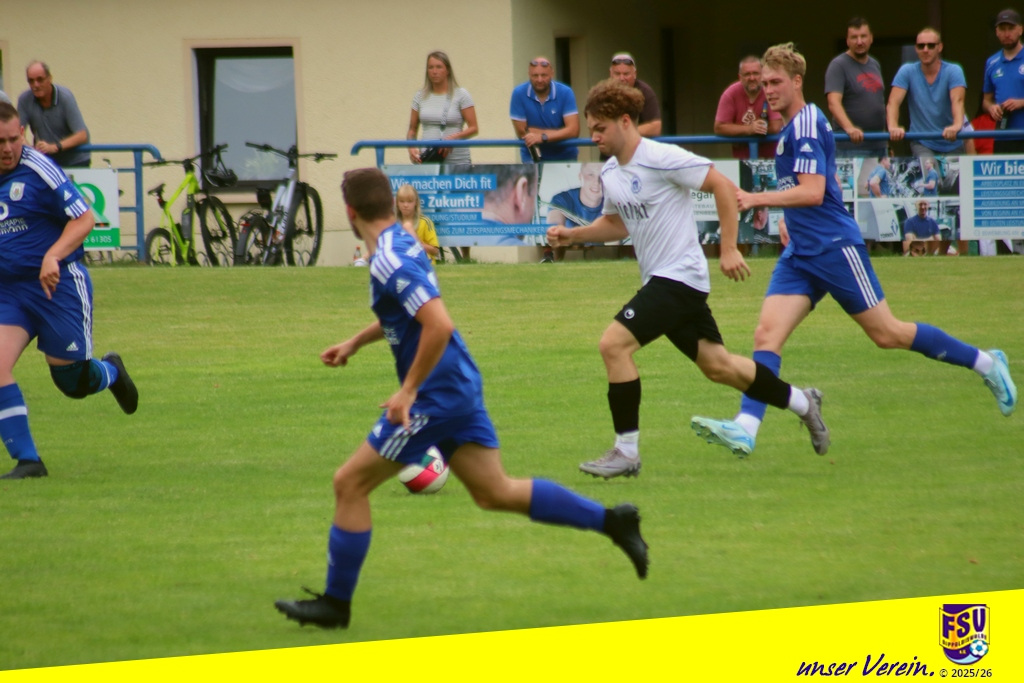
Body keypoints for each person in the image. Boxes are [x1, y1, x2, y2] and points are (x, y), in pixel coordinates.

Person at [273, 167, 650, 629]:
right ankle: (613, 521)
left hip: (435, 395)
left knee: (349, 484)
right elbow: (409, 313)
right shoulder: (403, 242)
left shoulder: (390, 256)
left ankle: (336, 605)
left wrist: (408, 390)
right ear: (389, 204)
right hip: (458, 382)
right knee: (495, 492)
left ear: (350, 212)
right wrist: (355, 342)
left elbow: (438, 324)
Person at [690, 43, 1016, 459]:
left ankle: (987, 363)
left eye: (775, 82)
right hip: (802, 252)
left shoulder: (807, 125)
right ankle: (746, 428)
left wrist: (757, 199)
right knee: (766, 335)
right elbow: (811, 188)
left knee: (887, 334)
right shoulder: (792, 128)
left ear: (796, 82)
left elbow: (812, 192)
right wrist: (789, 221)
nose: (768, 90)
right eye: (764, 83)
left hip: (834, 247)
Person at [546, 78, 830, 477]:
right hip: (665, 282)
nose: (594, 137)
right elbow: (616, 224)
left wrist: (728, 248)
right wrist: (571, 235)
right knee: (719, 367)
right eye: (591, 129)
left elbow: (722, 187)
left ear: (625, 121)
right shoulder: (610, 172)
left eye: (600, 128)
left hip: (678, 278)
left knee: (613, 345)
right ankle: (803, 402)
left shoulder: (661, 157)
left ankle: (626, 452)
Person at [0, 102, 137, 480]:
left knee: (71, 383)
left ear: (23, 134)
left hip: (56, 287)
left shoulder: (39, 170)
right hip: (9, 293)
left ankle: (110, 371)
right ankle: (28, 461)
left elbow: (85, 218)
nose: (8, 148)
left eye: (13, 139)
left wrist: (53, 255)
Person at [887, 28, 967, 157]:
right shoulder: (907, 71)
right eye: (921, 46)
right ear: (916, 48)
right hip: (922, 142)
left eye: (931, 45)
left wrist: (956, 125)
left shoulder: (953, 70)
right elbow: (893, 102)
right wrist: (893, 126)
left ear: (939, 47)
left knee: (953, 171)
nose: (925, 50)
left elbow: (958, 101)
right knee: (929, 169)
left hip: (952, 142)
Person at [825, 17, 888, 158]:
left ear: (871, 38)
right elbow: (833, 103)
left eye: (863, 36)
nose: (859, 42)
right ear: (847, 41)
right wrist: (850, 129)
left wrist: (886, 142)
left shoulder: (875, 64)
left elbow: (879, 104)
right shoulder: (838, 65)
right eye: (854, 37)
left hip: (879, 145)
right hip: (851, 147)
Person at [406, 51, 478, 166]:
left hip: (458, 161)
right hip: (430, 161)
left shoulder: (461, 95)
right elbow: (412, 129)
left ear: (447, 70)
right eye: (431, 67)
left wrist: (453, 138)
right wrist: (411, 147)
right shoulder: (420, 96)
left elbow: (474, 128)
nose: (434, 72)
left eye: (439, 67)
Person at [16, 61, 91, 168]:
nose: (35, 85)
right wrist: (32, 152)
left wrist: (54, 147)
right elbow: (18, 134)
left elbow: (82, 135)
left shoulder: (65, 97)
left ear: (49, 78)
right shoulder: (24, 100)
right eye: (31, 81)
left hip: (75, 160)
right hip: (46, 162)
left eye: (40, 79)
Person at [509, 56, 580, 163]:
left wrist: (542, 137)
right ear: (529, 74)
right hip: (532, 156)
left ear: (552, 74)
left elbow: (573, 130)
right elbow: (523, 132)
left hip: (565, 156)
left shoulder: (566, 92)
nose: (540, 80)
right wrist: (560, 133)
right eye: (535, 75)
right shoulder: (518, 93)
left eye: (544, 75)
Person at [714, 56, 784, 160]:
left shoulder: (770, 90)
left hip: (771, 160)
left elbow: (776, 127)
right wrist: (749, 129)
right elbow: (719, 127)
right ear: (740, 77)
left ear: (762, 74)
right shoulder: (730, 94)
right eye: (747, 74)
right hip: (742, 160)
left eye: (756, 73)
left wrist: (756, 129)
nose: (752, 78)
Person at [544, 161, 604, 262]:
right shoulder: (562, 199)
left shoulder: (614, 202)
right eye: (591, 175)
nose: (596, 182)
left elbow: (615, 240)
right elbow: (554, 228)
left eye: (603, 175)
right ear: (580, 176)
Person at [983, 9, 1024, 153]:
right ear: (997, 32)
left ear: (1020, 29)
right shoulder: (991, 62)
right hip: (1003, 136)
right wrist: (991, 108)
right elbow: (986, 100)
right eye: (1002, 29)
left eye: (1011, 28)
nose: (1007, 34)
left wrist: (1021, 102)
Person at [608, 53, 661, 137]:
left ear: (635, 74)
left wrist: (624, 132)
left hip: (638, 142)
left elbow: (656, 127)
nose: (621, 78)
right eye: (617, 74)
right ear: (610, 74)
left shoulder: (645, 91)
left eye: (626, 74)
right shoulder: (603, 93)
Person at [395, 184, 440, 264]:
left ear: (416, 202)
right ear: (397, 203)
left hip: (423, 262)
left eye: (409, 201)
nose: (405, 205)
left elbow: (435, 250)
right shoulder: (393, 223)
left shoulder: (425, 222)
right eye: (402, 201)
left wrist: (416, 244)